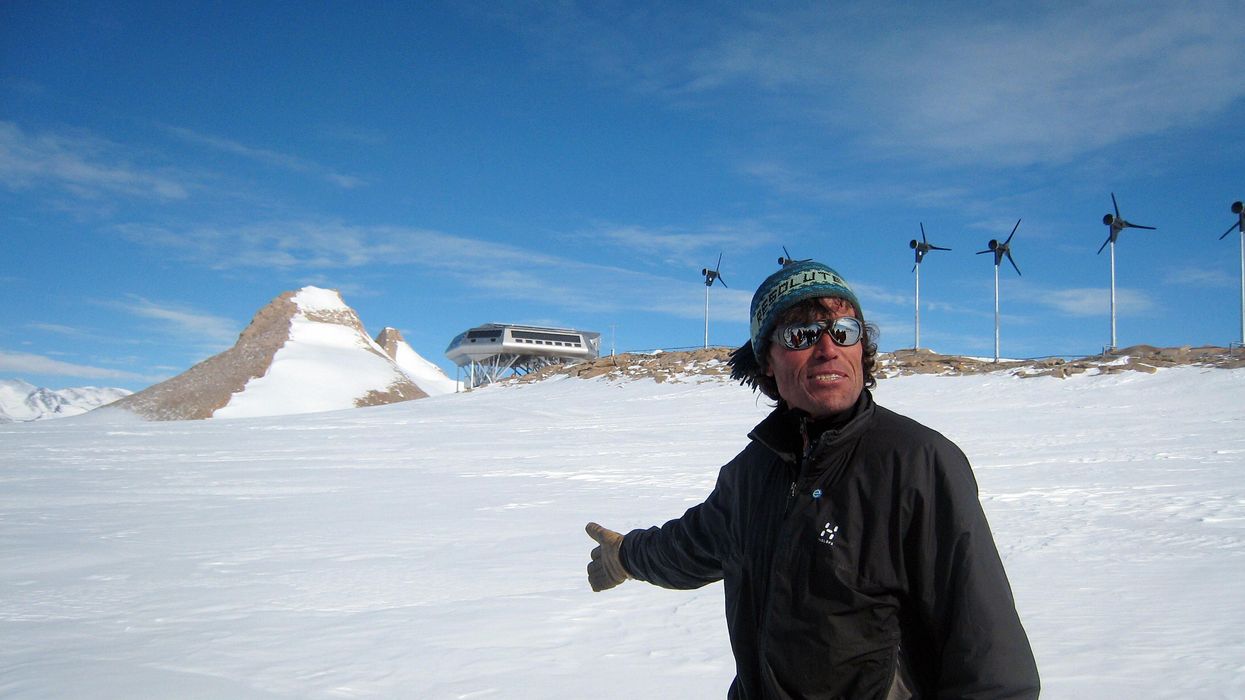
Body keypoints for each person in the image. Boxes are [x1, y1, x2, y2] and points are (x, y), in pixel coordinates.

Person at [585, 260, 1040, 699]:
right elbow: (689, 546)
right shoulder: (750, 475)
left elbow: (988, 656)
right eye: (801, 334)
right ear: (766, 360)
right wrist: (626, 556)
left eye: (844, 331)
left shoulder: (917, 462)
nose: (828, 348)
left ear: (863, 347)